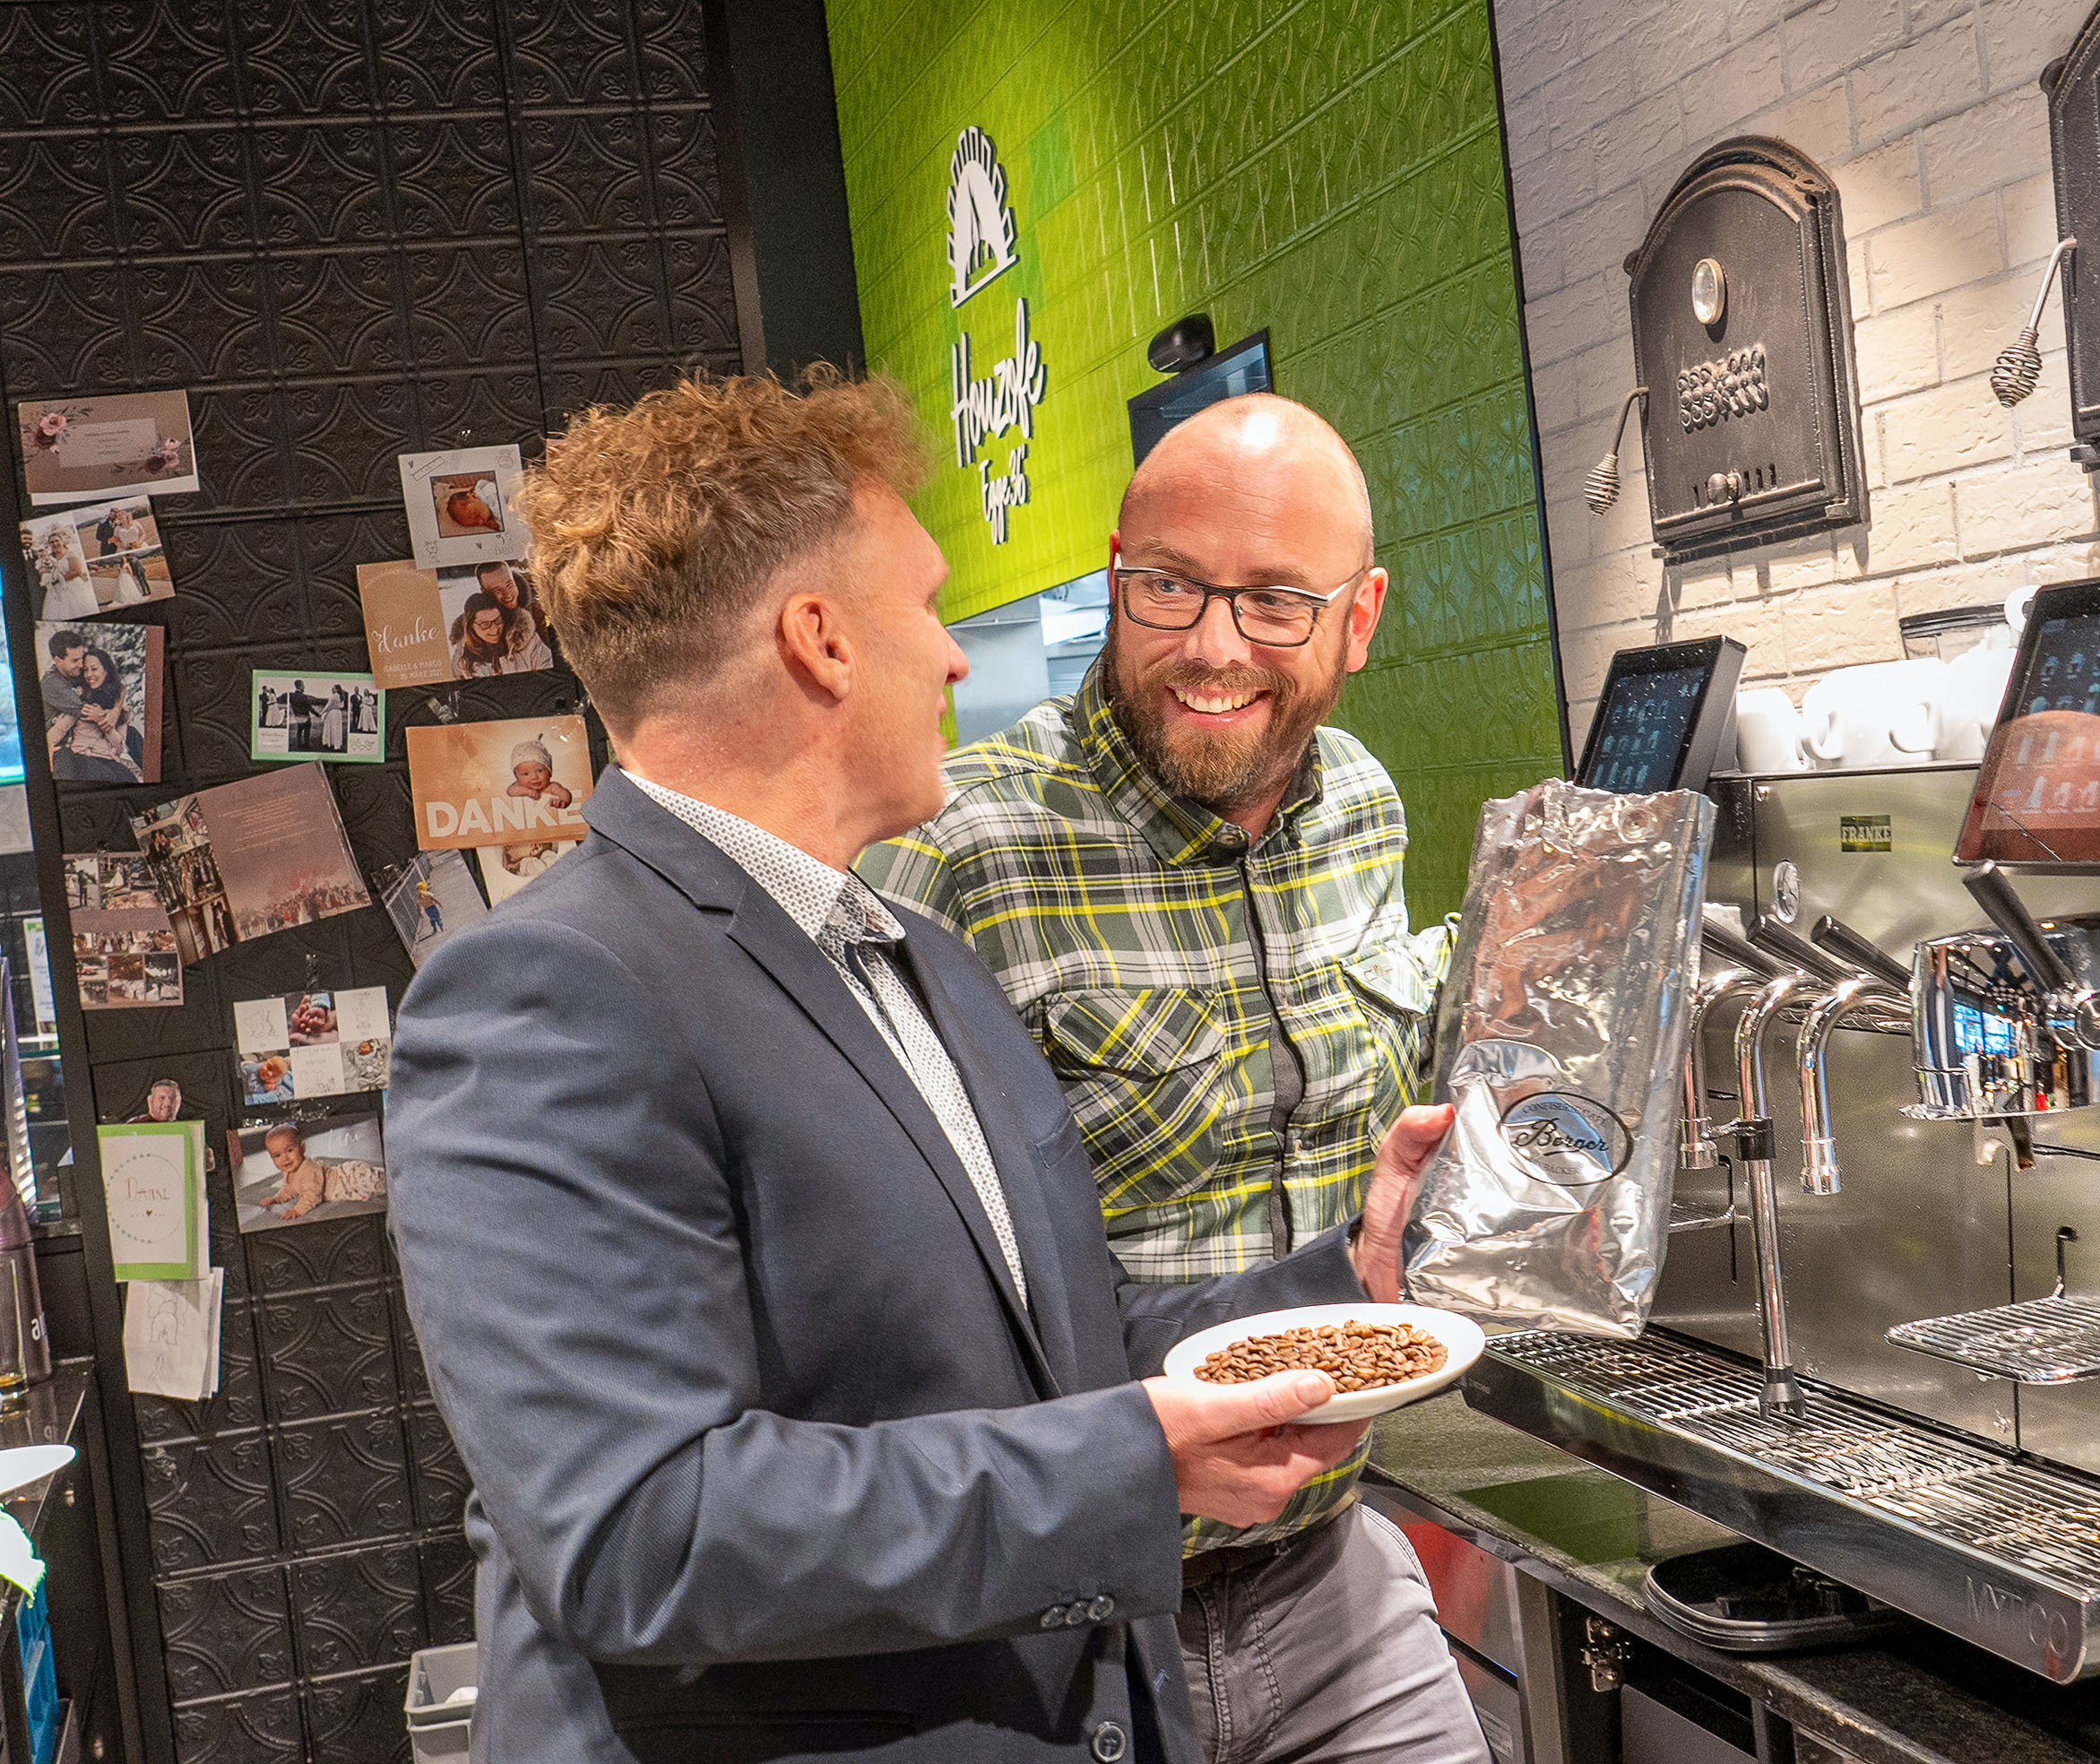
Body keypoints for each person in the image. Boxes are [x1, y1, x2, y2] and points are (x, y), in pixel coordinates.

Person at [384, 364, 1456, 1764]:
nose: (956, 660)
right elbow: (643, 1530)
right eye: (930, 606)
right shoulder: (545, 990)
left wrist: (1340, 1286)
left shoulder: (909, 954)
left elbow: (1055, 1344)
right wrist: (1130, 1466)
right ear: (822, 640)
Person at [867, 393, 1479, 1764]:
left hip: (1332, 1578)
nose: (1212, 646)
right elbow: (910, 1312)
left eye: (1275, 602)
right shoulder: (954, 850)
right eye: (1169, 587)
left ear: (1360, 619)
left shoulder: (1361, 804)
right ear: (1113, 575)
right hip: (1069, 1634)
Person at [256, 1122, 385, 1222]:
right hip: (343, 1178)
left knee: (377, 1183)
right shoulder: (289, 1171)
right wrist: (276, 1199)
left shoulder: (308, 1169)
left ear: (302, 1147)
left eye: (290, 1150)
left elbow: (313, 1195)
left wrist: (297, 1210)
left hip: (346, 1181)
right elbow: (290, 1190)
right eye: (277, 1156)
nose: (285, 1158)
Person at [58, 646, 141, 783]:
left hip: (108, 756)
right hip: (83, 756)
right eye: (86, 670)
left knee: (129, 778)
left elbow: (119, 747)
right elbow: (62, 725)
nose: (89, 674)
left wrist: (104, 720)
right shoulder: (80, 698)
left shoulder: (115, 698)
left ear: (106, 671)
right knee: (105, 775)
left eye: (94, 669)